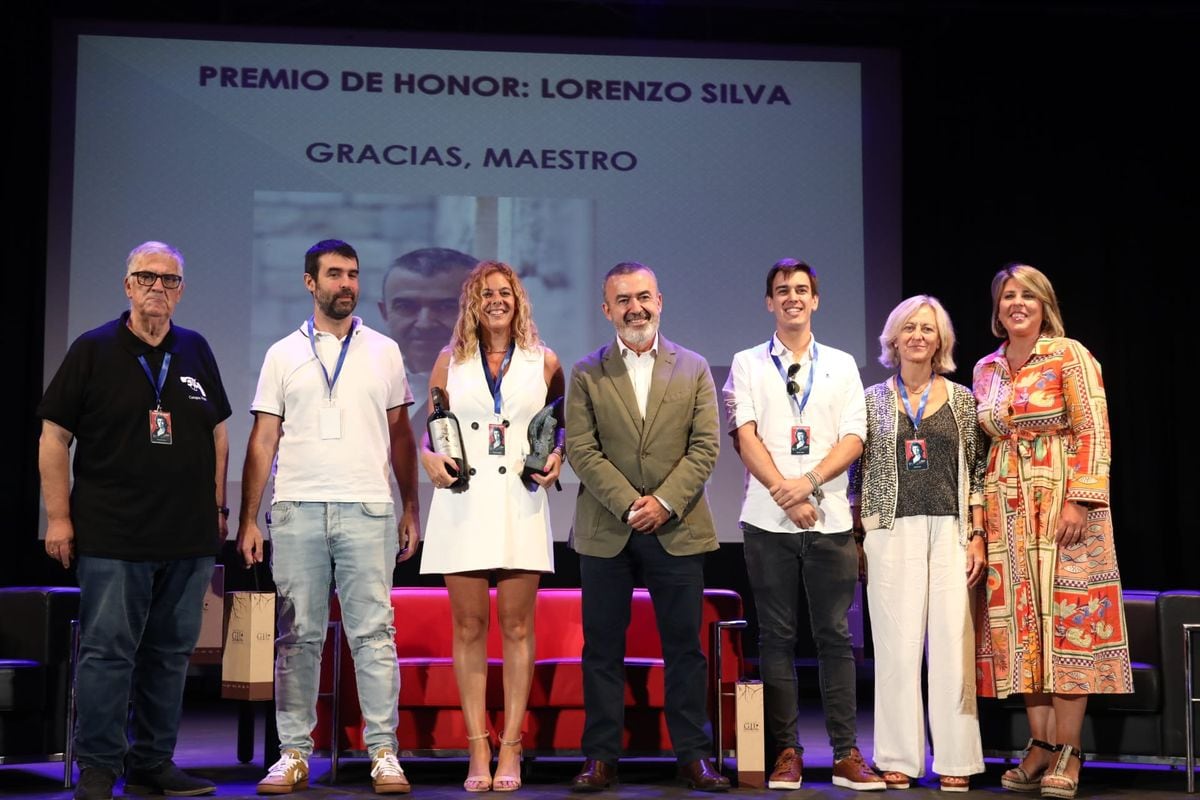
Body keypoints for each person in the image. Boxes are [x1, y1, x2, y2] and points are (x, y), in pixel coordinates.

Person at [39, 241, 230, 800]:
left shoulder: (194, 348)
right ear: (127, 285)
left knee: (170, 654)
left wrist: (217, 509)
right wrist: (58, 517)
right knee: (108, 653)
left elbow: (218, 433)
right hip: (113, 533)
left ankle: (152, 763)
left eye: (169, 281)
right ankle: (98, 766)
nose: (158, 289)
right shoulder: (93, 349)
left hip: (187, 536)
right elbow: (53, 438)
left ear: (181, 291)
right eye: (147, 278)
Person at [236, 239, 421, 795]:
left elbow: (400, 435)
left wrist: (411, 506)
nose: (346, 284)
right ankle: (294, 753)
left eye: (354, 275)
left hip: (368, 507)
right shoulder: (281, 354)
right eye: (335, 274)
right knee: (298, 637)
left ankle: (384, 752)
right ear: (310, 283)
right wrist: (249, 519)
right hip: (296, 507)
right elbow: (263, 437)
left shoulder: (385, 350)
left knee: (375, 634)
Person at [565, 262, 729, 793]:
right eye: (622, 299)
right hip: (606, 529)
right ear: (606, 309)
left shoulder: (695, 366)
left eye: (643, 297)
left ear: (660, 300)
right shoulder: (586, 371)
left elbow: (706, 447)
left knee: (684, 649)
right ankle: (601, 757)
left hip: (676, 527)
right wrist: (629, 502)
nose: (634, 307)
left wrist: (662, 501)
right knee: (602, 649)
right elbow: (581, 450)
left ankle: (693, 756)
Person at [973, 263, 1132, 799]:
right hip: (1007, 509)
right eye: (1007, 296)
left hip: (1063, 504)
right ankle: (1039, 745)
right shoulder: (986, 368)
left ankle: (1070, 749)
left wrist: (1080, 501)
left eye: (1028, 296)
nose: (1017, 303)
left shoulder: (1069, 354)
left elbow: (1093, 427)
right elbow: (987, 445)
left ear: (1045, 305)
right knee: (1022, 626)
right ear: (997, 308)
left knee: (1066, 622)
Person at [722, 258, 882, 792]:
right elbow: (745, 436)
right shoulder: (747, 362)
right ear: (769, 302)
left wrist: (807, 483)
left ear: (815, 300)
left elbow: (854, 439)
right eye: (782, 290)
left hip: (832, 519)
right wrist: (783, 493)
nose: (792, 297)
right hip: (768, 521)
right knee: (777, 639)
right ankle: (786, 751)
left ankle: (845, 752)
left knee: (835, 638)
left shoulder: (842, 364)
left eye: (802, 290)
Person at [419, 260, 564, 793]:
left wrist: (559, 460)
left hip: (519, 504)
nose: (496, 300)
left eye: (504, 292)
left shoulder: (543, 361)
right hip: (464, 503)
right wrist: (426, 457)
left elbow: (558, 429)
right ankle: (477, 748)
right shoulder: (448, 361)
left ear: (518, 299)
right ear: (472, 302)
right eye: (486, 293)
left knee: (519, 627)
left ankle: (511, 747)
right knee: (468, 628)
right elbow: (431, 432)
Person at [847, 295, 987, 792]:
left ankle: (956, 756)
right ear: (893, 338)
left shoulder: (964, 399)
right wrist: (859, 535)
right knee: (896, 649)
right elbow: (856, 474)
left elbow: (977, 471)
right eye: (909, 328)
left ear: (941, 341)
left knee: (952, 645)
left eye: (928, 329)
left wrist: (976, 534)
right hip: (889, 529)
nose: (918, 336)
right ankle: (899, 757)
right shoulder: (870, 400)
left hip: (950, 530)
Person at [378, 247, 477, 419]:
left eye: (446, 307)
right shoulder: (358, 384)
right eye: (406, 307)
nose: (425, 324)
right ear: (385, 313)